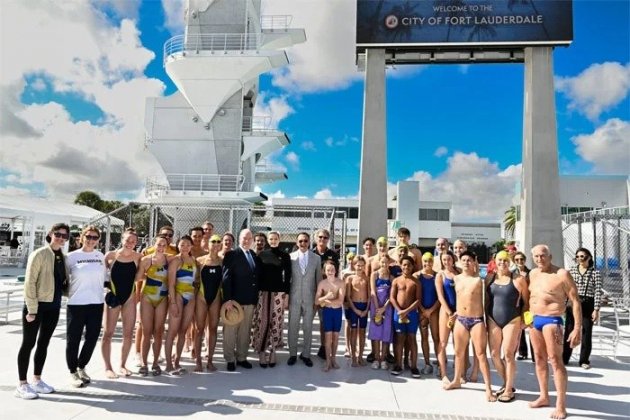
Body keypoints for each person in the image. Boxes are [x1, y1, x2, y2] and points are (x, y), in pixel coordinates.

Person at [16, 222, 69, 399]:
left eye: (64, 236)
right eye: (58, 234)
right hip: (36, 307)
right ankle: (22, 384)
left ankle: (37, 380)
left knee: (43, 343)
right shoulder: (39, 254)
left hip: (53, 307)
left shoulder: (62, 256)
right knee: (28, 344)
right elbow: (29, 283)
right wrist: (31, 310)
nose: (61, 238)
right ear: (50, 234)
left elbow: (62, 282)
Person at [528, 244, 581, 420]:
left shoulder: (561, 274)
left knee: (555, 361)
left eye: (543, 256)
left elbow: (575, 301)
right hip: (535, 320)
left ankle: (561, 404)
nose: (539, 259)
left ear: (550, 256)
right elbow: (531, 298)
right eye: (536, 256)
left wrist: (577, 328)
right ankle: (544, 396)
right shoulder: (533, 274)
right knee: (539, 359)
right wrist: (527, 320)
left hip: (553, 320)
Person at [443, 251, 496, 403]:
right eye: (463, 260)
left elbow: (487, 301)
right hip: (460, 319)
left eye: (469, 260)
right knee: (458, 353)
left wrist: (488, 321)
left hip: (476, 320)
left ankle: (488, 388)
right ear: (459, 262)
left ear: (474, 263)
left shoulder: (480, 280)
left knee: (481, 354)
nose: (466, 262)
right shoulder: (456, 278)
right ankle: (457, 380)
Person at [65, 226, 106, 388]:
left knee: (92, 338)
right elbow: (62, 278)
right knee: (73, 339)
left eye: (95, 238)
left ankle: (81, 366)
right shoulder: (71, 257)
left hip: (96, 303)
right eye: (88, 236)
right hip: (76, 304)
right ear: (81, 237)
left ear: (98, 240)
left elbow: (105, 278)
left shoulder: (100, 256)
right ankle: (72, 372)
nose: (91, 240)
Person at [486, 251, 529, 403]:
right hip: (493, 319)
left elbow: (526, 303)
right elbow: (485, 300)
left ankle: (509, 390)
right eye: (499, 260)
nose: (502, 263)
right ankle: (507, 383)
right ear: (495, 261)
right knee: (494, 354)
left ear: (509, 261)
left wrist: (526, 321)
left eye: (505, 260)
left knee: (509, 355)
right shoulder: (489, 278)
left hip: (512, 319)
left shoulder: (519, 279)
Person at [102, 228, 142, 379]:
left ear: (136, 243)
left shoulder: (138, 257)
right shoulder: (110, 256)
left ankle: (123, 365)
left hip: (129, 299)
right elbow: (103, 276)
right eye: (127, 240)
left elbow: (139, 277)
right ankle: (108, 367)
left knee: (128, 334)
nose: (130, 243)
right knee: (108, 333)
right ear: (122, 240)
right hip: (113, 296)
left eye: (133, 241)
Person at [251, 231, 291, 368]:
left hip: (278, 293)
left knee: (276, 322)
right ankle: (261, 351)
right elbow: (257, 275)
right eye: (271, 238)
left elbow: (288, 276)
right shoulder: (261, 255)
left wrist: (286, 294)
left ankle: (273, 351)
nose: (273, 240)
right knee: (262, 322)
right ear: (268, 240)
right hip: (263, 293)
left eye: (275, 238)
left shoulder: (285, 256)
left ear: (279, 240)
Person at [222, 229, 260, 372]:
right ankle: (230, 359)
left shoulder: (253, 255)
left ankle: (242, 357)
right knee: (230, 330)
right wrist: (228, 299)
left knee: (245, 331)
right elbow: (226, 278)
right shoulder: (232, 255)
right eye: (244, 238)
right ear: (239, 239)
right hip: (234, 301)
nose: (247, 240)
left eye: (249, 238)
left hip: (249, 300)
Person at [135, 235, 170, 376]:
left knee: (158, 331)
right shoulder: (146, 259)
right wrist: (149, 277)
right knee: (146, 331)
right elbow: (137, 277)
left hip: (162, 298)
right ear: (153, 245)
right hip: (147, 297)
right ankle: (144, 363)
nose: (161, 247)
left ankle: (155, 362)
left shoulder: (170, 259)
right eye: (159, 244)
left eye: (164, 245)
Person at [563, 247, 602, 369]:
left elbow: (597, 291)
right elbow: (567, 289)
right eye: (578, 256)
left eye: (583, 256)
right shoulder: (572, 271)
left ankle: (584, 360)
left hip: (588, 303)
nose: (580, 259)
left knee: (586, 332)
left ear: (589, 257)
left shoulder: (595, 272)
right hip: (573, 302)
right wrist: (564, 304)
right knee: (569, 330)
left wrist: (596, 309)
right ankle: (565, 358)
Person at [164, 235, 198, 375]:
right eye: (182, 244)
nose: (185, 247)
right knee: (172, 331)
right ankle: (168, 364)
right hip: (177, 295)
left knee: (183, 331)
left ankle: (177, 361)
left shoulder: (194, 260)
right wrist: (172, 302)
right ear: (178, 246)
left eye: (187, 245)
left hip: (190, 296)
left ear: (191, 246)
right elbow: (171, 284)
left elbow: (194, 281)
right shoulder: (176, 260)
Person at [288, 232, 321, 367]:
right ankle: (292, 354)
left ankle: (306, 354)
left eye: (305, 241)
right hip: (294, 297)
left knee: (308, 328)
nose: (303, 243)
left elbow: (318, 279)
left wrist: (317, 300)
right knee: (293, 327)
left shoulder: (316, 259)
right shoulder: (290, 258)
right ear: (297, 243)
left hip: (310, 298)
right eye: (300, 241)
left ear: (309, 242)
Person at [194, 234, 223, 372]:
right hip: (201, 297)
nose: (216, 244)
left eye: (219, 242)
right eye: (213, 241)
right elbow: (193, 280)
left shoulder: (223, 261)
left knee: (212, 329)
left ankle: (210, 360)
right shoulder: (199, 261)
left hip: (216, 297)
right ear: (208, 243)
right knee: (199, 329)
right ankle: (198, 361)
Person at [390, 256, 421, 378]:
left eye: (408, 265)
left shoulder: (416, 282)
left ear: (412, 266)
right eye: (404, 265)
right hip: (398, 313)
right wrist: (399, 311)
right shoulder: (396, 281)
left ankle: (413, 366)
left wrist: (407, 311)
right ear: (401, 266)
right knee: (399, 339)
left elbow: (418, 300)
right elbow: (392, 297)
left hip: (412, 314)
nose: (406, 267)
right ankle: (398, 364)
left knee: (412, 339)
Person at [312, 228, 339, 360]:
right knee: (307, 321)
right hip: (311, 293)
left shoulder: (332, 255)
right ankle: (306, 348)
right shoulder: (310, 253)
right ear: (316, 238)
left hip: (326, 294)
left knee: (324, 322)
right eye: (320, 237)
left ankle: (323, 347)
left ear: (328, 240)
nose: (322, 240)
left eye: (325, 238)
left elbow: (336, 274)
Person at [316, 260, 345, 372]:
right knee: (328, 338)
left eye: (332, 269)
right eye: (328, 270)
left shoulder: (340, 283)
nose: (330, 272)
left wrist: (325, 301)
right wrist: (326, 297)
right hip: (327, 312)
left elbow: (340, 301)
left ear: (336, 270)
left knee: (336, 337)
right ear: (324, 271)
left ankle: (333, 358)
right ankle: (328, 360)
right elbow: (316, 301)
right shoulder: (322, 284)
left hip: (337, 312)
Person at [435, 250, 459, 381]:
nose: (446, 262)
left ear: (453, 259)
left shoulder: (459, 274)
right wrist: (449, 312)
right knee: (443, 342)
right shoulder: (440, 275)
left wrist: (458, 312)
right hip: (446, 312)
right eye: (444, 260)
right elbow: (440, 296)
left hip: (459, 312)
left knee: (459, 344)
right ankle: (443, 373)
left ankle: (459, 373)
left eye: (448, 259)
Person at [415, 252, 440, 375]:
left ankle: (440, 363)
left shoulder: (438, 276)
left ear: (433, 262)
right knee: (424, 338)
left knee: (436, 338)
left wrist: (430, 310)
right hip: (422, 311)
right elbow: (416, 297)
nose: (427, 264)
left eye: (429, 261)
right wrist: (423, 310)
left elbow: (440, 297)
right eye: (425, 261)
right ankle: (427, 363)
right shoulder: (417, 276)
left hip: (434, 311)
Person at [368, 254, 394, 369]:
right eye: (382, 262)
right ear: (379, 262)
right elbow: (373, 291)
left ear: (389, 263)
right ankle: (376, 359)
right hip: (375, 305)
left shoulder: (391, 277)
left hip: (387, 307)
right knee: (376, 333)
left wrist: (384, 307)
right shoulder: (374, 275)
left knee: (385, 333)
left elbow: (391, 295)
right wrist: (378, 308)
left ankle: (383, 359)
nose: (384, 264)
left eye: (386, 262)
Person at [346, 256, 369, 367]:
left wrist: (366, 309)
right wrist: (354, 309)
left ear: (364, 266)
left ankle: (360, 356)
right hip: (354, 306)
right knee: (353, 331)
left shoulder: (367, 278)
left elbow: (369, 296)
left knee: (362, 332)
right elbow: (348, 296)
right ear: (354, 265)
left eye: (362, 265)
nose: (360, 267)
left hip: (364, 306)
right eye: (358, 265)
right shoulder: (350, 278)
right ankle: (353, 357)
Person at [513, 251, 534, 361]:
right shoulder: (512, 273)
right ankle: (522, 352)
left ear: (525, 260)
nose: (519, 261)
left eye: (521, 259)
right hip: (517, 303)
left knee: (530, 326)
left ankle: (535, 353)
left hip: (529, 303)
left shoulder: (531, 273)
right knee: (519, 328)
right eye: (517, 260)